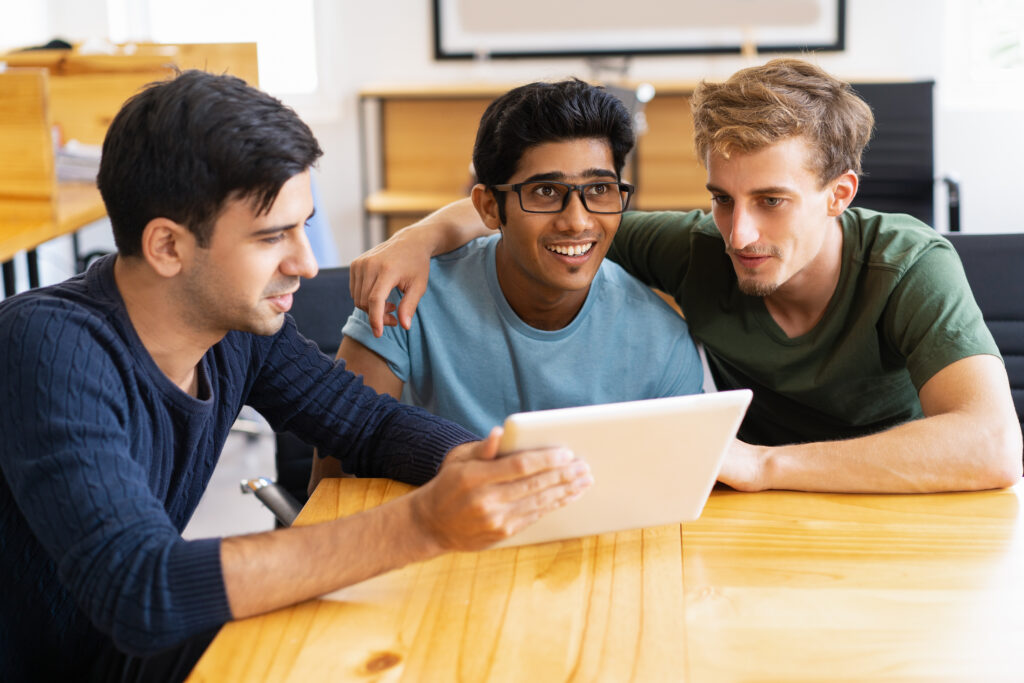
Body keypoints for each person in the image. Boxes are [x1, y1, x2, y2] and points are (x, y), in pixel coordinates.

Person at [0, 71, 593, 682]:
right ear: (168, 247)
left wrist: (491, 468)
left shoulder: (238, 328)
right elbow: (142, 589)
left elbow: (368, 424)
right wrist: (421, 524)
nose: (306, 264)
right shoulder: (45, 344)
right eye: (271, 237)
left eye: (303, 226)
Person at [349, 58, 1022, 495]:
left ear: (839, 194)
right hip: (751, 520)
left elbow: (991, 443)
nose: (740, 233)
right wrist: (417, 238)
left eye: (771, 201)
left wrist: (761, 464)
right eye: (722, 198)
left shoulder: (908, 265)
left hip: (899, 501)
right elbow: (552, 219)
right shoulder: (698, 246)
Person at [313, 81, 702, 487]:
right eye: (546, 191)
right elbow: (334, 485)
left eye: (600, 189)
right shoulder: (407, 299)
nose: (577, 221)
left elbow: (677, 496)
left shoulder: (662, 341)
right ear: (488, 207)